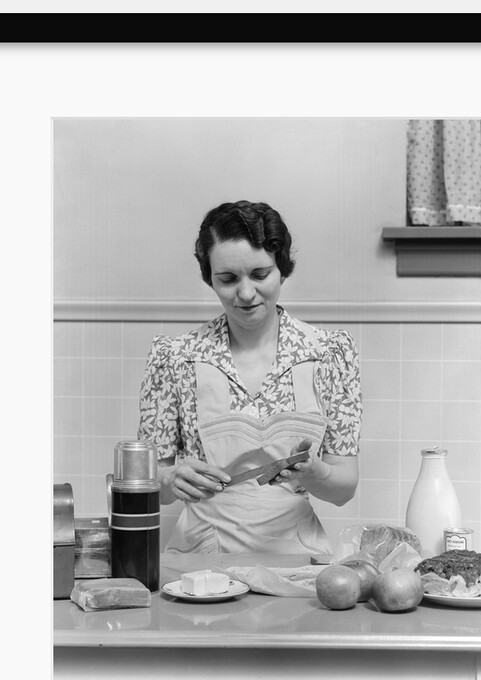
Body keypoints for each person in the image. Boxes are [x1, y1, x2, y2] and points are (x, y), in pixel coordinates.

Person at [137, 200, 361, 556]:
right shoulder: (175, 358)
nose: (245, 293)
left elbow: (344, 489)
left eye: (260, 275)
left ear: (282, 270)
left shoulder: (329, 354)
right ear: (209, 279)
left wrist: (315, 471)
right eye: (228, 279)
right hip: (202, 559)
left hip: (298, 557)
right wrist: (168, 479)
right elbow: (147, 487)